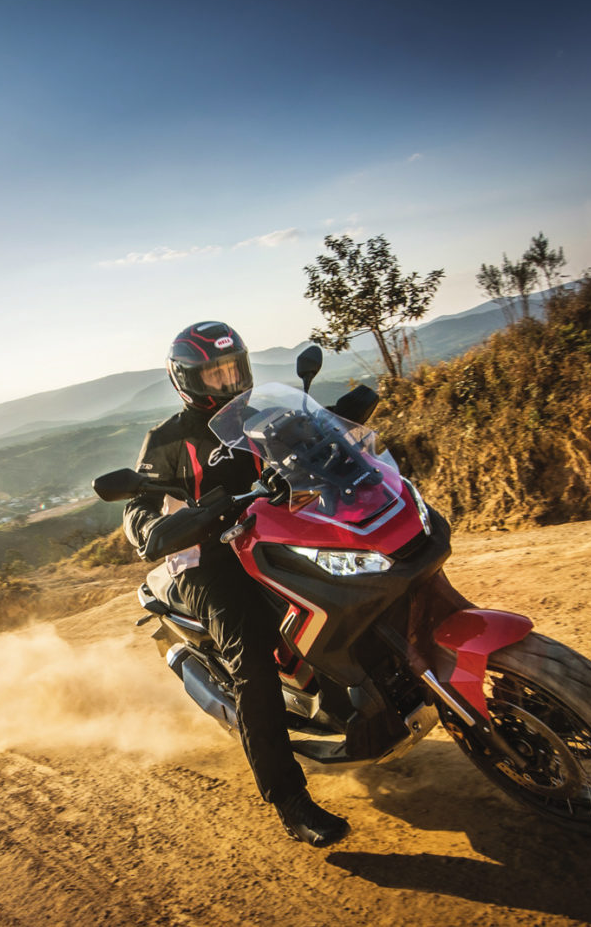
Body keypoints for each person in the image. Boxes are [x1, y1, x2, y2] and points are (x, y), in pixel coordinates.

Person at [122, 321, 350, 847]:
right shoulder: (168, 439)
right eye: (215, 374)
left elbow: (316, 438)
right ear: (188, 381)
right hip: (206, 559)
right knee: (250, 650)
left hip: (274, 535)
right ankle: (289, 800)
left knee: (344, 589)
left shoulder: (262, 412)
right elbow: (138, 503)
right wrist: (150, 526)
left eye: (233, 368)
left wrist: (341, 424)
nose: (228, 381)